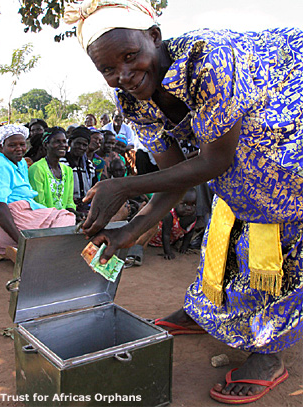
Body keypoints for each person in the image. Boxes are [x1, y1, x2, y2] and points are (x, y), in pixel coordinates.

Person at [64, 1, 303, 404]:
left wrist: (124, 186)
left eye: (130, 56)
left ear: (154, 38)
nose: (123, 74)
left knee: (278, 244)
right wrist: (129, 231)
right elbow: (173, 175)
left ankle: (267, 351)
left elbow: (214, 160)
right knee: (225, 232)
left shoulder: (209, 60)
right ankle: (207, 311)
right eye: (107, 69)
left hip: (285, 145)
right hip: (238, 166)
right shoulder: (134, 101)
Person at [0, 124, 76, 255]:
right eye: (12, 145)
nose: (19, 149)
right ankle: (30, 250)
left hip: (20, 216)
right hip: (1, 223)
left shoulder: (21, 162)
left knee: (66, 220)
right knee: (66, 218)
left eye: (22, 144)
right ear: (0, 146)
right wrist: (21, 241)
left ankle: (28, 251)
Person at [28, 127, 77, 218]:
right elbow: (39, 203)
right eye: (57, 141)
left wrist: (74, 213)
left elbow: (69, 202)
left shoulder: (68, 170)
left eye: (64, 141)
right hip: (44, 220)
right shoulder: (37, 169)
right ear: (46, 144)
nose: (62, 145)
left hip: (64, 218)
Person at [149, 188, 197, 259]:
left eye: (193, 205)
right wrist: (168, 252)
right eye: (184, 204)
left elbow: (189, 232)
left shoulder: (193, 216)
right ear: (175, 202)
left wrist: (184, 247)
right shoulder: (169, 215)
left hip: (171, 241)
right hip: (155, 240)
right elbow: (166, 234)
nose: (189, 208)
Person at [61, 126, 97, 217]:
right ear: (70, 143)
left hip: (86, 206)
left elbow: (94, 187)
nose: (81, 147)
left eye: (84, 145)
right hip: (66, 207)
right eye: (78, 143)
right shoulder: (61, 163)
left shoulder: (89, 166)